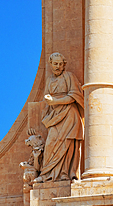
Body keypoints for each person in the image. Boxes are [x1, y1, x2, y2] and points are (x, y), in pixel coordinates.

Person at [34, 53, 84, 183]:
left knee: (67, 144)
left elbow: (74, 96)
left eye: (60, 64)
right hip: (55, 115)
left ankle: (65, 173)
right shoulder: (49, 80)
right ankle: (47, 174)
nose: (58, 66)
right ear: (50, 64)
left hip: (69, 114)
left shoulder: (69, 76)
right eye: (55, 64)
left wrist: (55, 100)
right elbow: (46, 100)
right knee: (50, 143)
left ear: (64, 65)